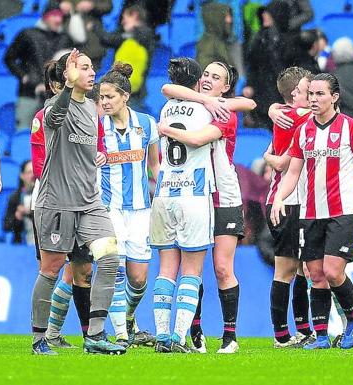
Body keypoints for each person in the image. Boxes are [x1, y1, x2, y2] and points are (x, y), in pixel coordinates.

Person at [270, 73, 353, 350]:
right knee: (316, 274)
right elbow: (293, 171)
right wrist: (279, 199)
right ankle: (321, 336)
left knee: (333, 271)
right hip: (311, 211)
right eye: (311, 94)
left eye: (320, 94)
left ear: (334, 98)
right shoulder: (303, 131)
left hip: (345, 209)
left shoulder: (351, 127)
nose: (313, 99)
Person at [160, 61, 256, 354]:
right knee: (194, 267)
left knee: (222, 267)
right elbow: (166, 87)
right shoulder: (196, 106)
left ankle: (230, 336)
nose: (208, 80)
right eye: (205, 75)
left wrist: (163, 128)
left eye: (216, 77)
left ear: (226, 86)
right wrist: (205, 99)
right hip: (193, 196)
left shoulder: (225, 113)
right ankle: (196, 332)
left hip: (223, 197)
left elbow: (199, 139)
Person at [31, 49, 123, 355]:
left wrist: (102, 153)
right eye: (84, 68)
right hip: (57, 202)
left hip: (89, 202)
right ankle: (39, 339)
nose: (92, 72)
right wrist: (68, 88)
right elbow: (56, 116)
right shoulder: (52, 108)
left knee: (109, 258)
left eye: (92, 66)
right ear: (68, 76)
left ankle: (95, 335)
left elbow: (96, 146)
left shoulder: (91, 111)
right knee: (52, 268)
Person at [150, 57, 216, 353]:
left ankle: (162, 336)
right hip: (194, 193)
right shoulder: (207, 110)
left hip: (165, 193)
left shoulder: (165, 109)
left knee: (166, 270)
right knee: (192, 271)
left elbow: (168, 90)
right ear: (199, 80)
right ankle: (177, 337)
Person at [98, 62, 160, 348]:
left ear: (125, 95)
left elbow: (154, 166)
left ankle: (129, 318)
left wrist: (161, 197)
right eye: (100, 97)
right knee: (116, 269)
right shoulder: (97, 128)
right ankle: (121, 334)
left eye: (109, 96)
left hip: (140, 210)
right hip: (107, 209)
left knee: (138, 278)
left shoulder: (147, 124)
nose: (104, 102)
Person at [264, 67, 315, 348]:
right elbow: (283, 163)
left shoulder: (284, 113)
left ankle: (304, 329)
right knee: (285, 270)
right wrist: (273, 108)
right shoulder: (296, 116)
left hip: (298, 201)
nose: (314, 96)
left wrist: (272, 108)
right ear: (295, 94)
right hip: (287, 201)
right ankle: (281, 335)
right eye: (310, 91)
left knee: (300, 269)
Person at [4, 4, 72, 130]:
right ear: (45, 17)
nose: (58, 20)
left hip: (54, 96)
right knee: (24, 133)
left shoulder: (65, 38)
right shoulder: (27, 34)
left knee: (52, 135)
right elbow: (9, 58)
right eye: (54, 16)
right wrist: (24, 76)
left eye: (60, 16)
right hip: (28, 93)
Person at [96, 3, 155, 110]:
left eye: (125, 18)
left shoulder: (146, 35)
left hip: (135, 93)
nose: (123, 22)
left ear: (135, 16)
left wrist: (132, 31)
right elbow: (108, 40)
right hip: (118, 89)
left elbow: (142, 36)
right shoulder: (126, 38)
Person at [3, 160, 35, 244]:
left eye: (34, 172)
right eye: (29, 172)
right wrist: (17, 217)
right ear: (22, 175)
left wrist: (29, 213)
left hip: (42, 246)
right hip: (22, 245)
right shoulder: (14, 198)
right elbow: (6, 226)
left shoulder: (44, 196)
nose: (32, 176)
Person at [196, 2, 234, 70]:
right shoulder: (211, 44)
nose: (230, 20)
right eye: (227, 16)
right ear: (217, 18)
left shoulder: (217, 41)